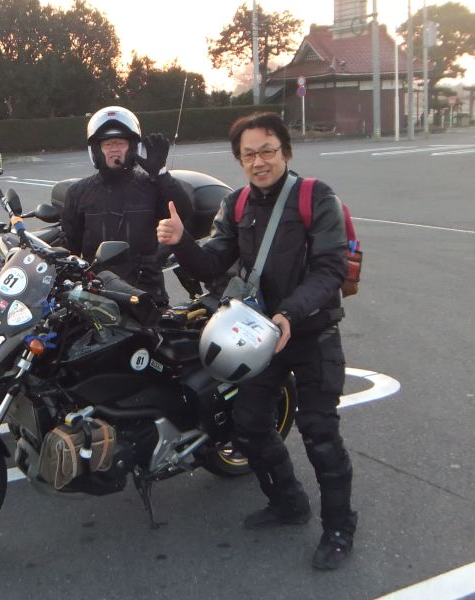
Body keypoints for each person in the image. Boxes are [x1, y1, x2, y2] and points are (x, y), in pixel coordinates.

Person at [156, 112, 357, 570]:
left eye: (267, 151)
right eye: (249, 154)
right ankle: (288, 501)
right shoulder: (238, 203)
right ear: (239, 160)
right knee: (247, 424)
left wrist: (291, 313)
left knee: (320, 433)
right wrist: (182, 242)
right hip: (260, 336)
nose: (259, 161)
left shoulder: (315, 198)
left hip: (311, 332)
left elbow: (331, 269)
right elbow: (211, 264)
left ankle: (339, 527)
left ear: (285, 151)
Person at [61, 106, 193, 306]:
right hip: (97, 294)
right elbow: (69, 248)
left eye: (120, 143)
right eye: (107, 144)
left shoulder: (152, 186)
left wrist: (161, 173)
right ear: (96, 150)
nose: (114, 149)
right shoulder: (78, 192)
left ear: (132, 147)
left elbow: (183, 213)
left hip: (146, 293)